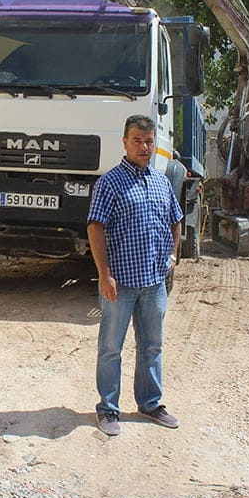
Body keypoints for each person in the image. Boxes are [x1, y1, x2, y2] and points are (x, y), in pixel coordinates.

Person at [87, 114, 183, 436]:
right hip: (121, 283)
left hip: (154, 283)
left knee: (152, 346)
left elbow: (176, 219)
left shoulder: (161, 182)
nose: (144, 147)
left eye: (149, 141)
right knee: (111, 348)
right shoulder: (110, 183)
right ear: (125, 142)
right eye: (137, 141)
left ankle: (151, 403)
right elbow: (95, 227)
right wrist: (104, 274)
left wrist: (172, 255)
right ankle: (108, 409)